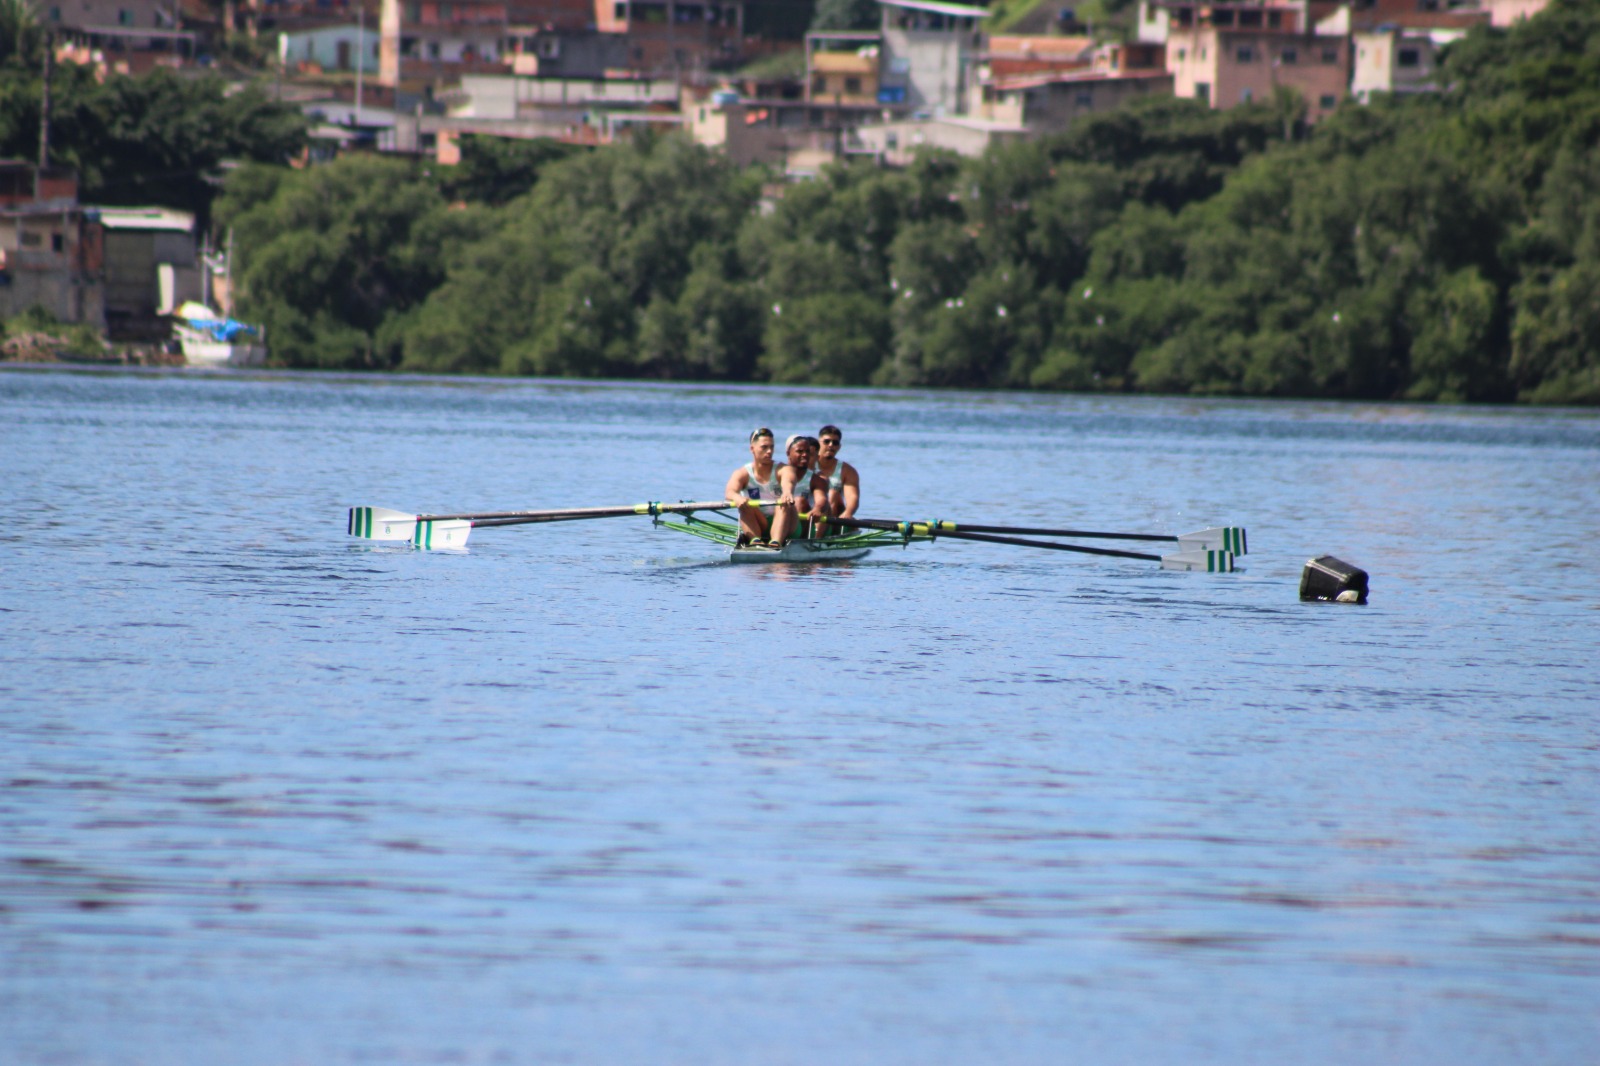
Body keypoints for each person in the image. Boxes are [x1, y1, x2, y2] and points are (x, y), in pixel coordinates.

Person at [724, 427, 783, 546]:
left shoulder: (783, 469)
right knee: (745, 503)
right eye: (764, 447)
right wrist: (737, 498)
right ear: (752, 449)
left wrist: (787, 493)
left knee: (782, 503)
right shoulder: (742, 473)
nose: (769, 451)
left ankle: (776, 541)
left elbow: (789, 482)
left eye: (771, 447)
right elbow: (730, 492)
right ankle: (756, 541)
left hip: (783, 522)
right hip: (759, 522)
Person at [813, 424, 860, 523]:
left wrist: (848, 512)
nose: (831, 445)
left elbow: (852, 497)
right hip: (809, 513)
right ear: (818, 444)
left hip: (831, 517)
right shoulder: (808, 463)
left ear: (839, 447)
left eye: (835, 443)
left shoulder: (848, 471)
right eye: (826, 441)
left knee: (833, 493)